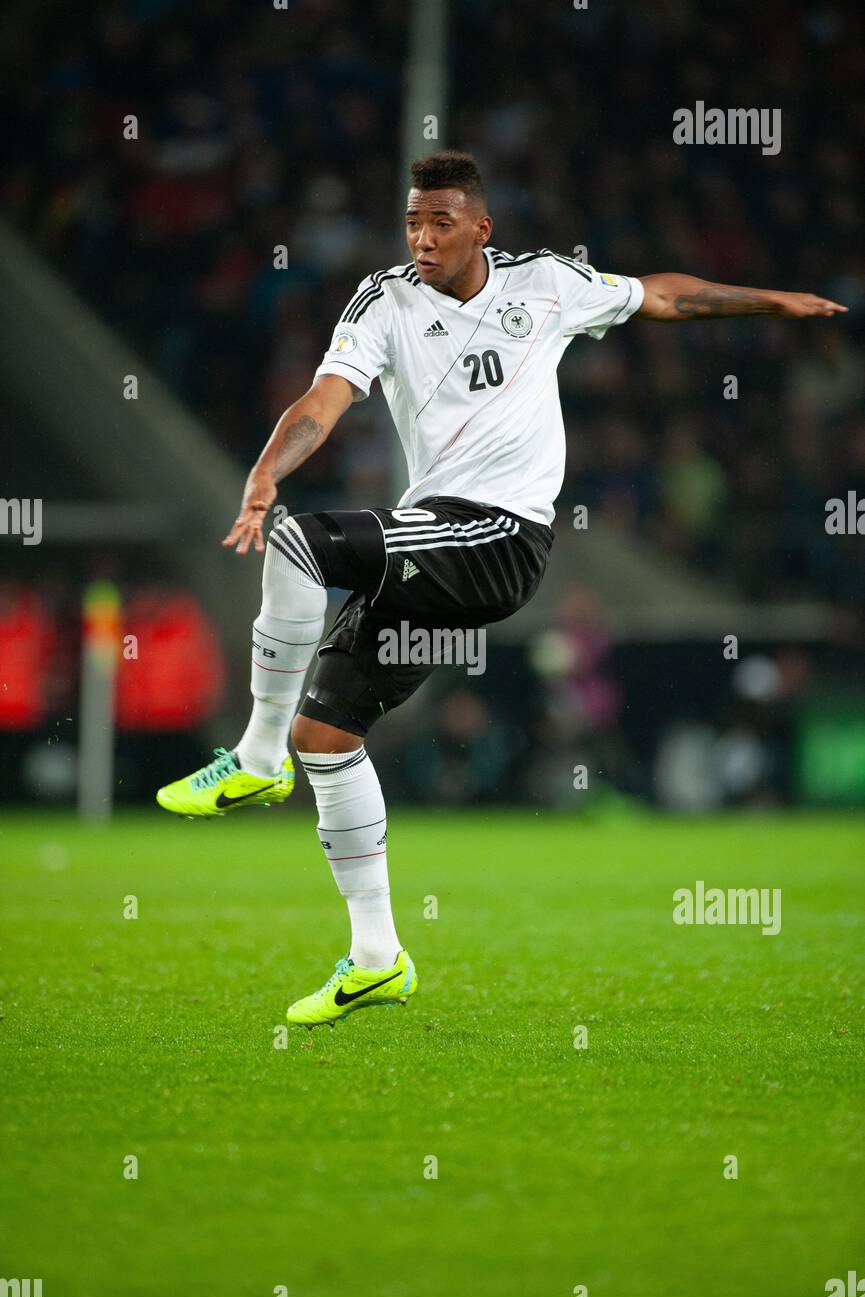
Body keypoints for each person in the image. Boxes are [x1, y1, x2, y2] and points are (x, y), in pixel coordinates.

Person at [155, 149, 847, 1028]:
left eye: (440, 222)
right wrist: (264, 471)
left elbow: (660, 296)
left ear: (481, 227)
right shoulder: (383, 299)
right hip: (435, 535)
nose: (422, 237)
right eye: (412, 220)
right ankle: (376, 957)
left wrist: (772, 300)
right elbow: (323, 401)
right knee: (325, 736)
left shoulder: (548, 284)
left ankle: (253, 764)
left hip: (499, 535)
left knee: (298, 545)